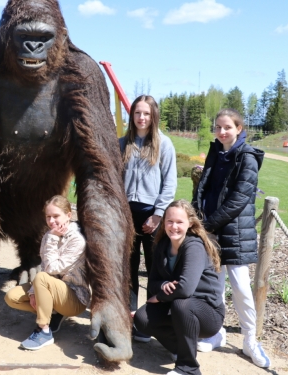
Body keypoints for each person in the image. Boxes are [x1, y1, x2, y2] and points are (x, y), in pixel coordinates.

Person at [192, 109, 270, 368]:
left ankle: (250, 340)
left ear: (239, 128)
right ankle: (216, 332)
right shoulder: (217, 153)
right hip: (212, 231)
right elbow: (202, 188)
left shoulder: (246, 157)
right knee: (215, 288)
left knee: (241, 289)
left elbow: (239, 199)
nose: (222, 132)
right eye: (218, 127)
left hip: (234, 233)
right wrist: (198, 215)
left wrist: (208, 224)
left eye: (227, 127)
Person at [134, 200, 224, 375]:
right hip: (177, 305)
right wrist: (163, 285)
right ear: (163, 222)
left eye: (179, 222)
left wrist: (159, 297)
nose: (173, 226)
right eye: (169, 221)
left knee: (181, 304)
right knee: (142, 318)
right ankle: (180, 349)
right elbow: (152, 283)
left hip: (208, 312)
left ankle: (189, 368)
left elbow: (185, 289)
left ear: (190, 223)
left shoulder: (194, 246)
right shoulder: (161, 246)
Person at [119, 95, 177, 342]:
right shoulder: (123, 143)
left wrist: (158, 215)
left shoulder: (164, 144)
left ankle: (151, 319)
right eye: (137, 113)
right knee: (128, 266)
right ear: (131, 116)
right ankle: (131, 315)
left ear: (153, 116)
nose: (141, 118)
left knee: (155, 267)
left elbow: (170, 183)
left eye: (146, 113)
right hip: (126, 212)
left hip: (152, 213)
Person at [4, 195, 90, 351]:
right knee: (11, 297)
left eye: (56, 216)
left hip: (74, 297)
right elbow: (44, 267)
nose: (51, 221)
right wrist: (32, 293)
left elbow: (51, 269)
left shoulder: (77, 240)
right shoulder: (49, 235)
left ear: (69, 215)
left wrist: (51, 239)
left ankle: (44, 331)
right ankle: (54, 312)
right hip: (51, 289)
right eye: (48, 217)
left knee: (42, 278)